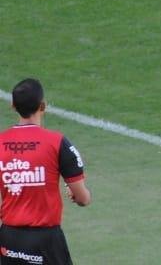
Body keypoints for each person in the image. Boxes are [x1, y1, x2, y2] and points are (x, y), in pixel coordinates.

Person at [0, 79, 91, 265]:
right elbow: (83, 198)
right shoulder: (57, 143)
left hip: (9, 240)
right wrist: (77, 195)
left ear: (13, 106)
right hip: (47, 241)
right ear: (43, 106)